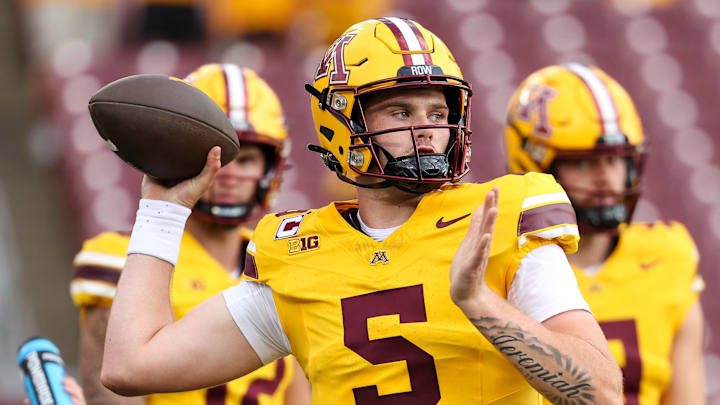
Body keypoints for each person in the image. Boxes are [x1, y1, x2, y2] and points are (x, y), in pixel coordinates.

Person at [100, 18, 623, 404]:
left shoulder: (499, 218)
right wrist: (162, 213)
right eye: (401, 110)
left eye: (438, 111)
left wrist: (481, 305)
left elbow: (599, 393)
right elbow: (132, 366)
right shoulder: (299, 254)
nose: (426, 127)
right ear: (341, 123)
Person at [70, 63, 311, 405]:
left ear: (268, 169)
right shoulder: (125, 256)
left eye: (246, 160)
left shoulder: (285, 261)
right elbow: (113, 395)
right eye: (216, 160)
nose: (227, 175)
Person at [504, 63, 705, 405]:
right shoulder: (504, 263)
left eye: (616, 161)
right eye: (584, 163)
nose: (607, 180)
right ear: (534, 164)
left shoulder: (667, 255)